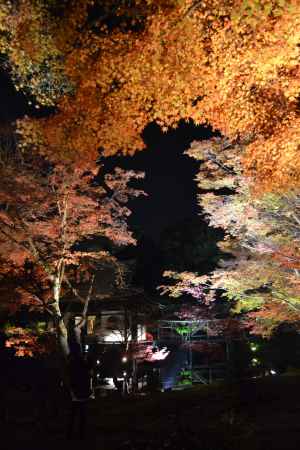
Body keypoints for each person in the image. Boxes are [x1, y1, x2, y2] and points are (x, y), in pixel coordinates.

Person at [66, 349, 95, 439]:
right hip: (82, 391)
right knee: (82, 414)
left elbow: (70, 377)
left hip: (75, 391)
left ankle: (71, 432)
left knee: (74, 413)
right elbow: (90, 368)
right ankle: (81, 433)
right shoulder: (83, 363)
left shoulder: (72, 364)